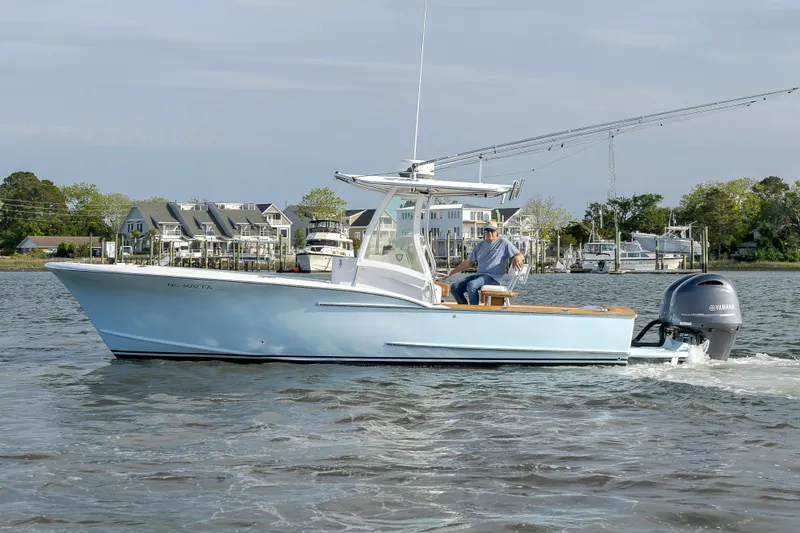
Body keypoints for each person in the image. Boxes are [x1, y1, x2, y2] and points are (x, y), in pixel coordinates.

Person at [445, 222, 525, 305]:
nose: (489, 233)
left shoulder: (503, 243)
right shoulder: (479, 246)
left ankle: (474, 311)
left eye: (492, 230)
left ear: (496, 231)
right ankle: (465, 309)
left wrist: (516, 258)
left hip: (493, 278)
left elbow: (520, 255)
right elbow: (468, 263)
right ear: (485, 232)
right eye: (487, 230)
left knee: (472, 285)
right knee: (455, 287)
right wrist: (450, 273)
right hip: (479, 276)